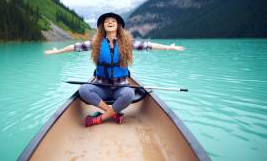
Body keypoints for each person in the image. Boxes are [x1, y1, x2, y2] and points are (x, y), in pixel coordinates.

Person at [44, 12, 184, 127]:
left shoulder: (127, 43)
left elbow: (147, 45)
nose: (110, 22)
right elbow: (76, 47)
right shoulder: (96, 43)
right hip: (101, 86)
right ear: (103, 27)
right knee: (84, 90)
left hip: (120, 88)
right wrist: (58, 51)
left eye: (113, 21)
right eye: (107, 21)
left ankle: (100, 118)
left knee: (129, 94)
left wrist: (168, 47)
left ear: (118, 26)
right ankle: (114, 114)